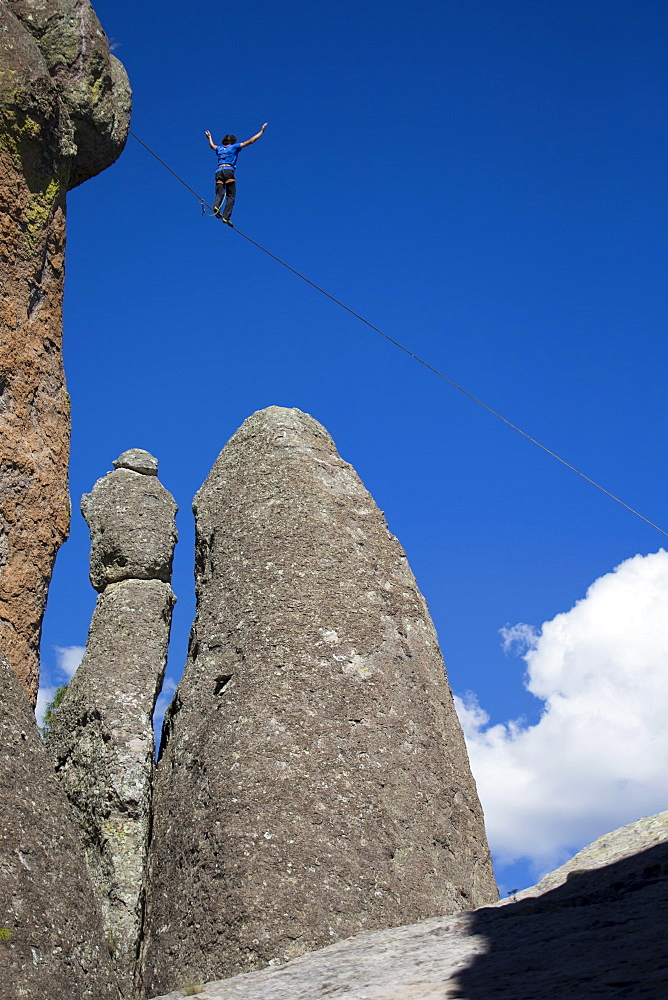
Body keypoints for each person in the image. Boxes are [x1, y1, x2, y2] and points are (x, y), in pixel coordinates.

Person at [205, 123, 268, 226]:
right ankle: (226, 217)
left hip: (219, 171)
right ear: (232, 141)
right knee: (231, 196)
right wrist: (261, 132)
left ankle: (216, 206)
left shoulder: (220, 148)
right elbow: (251, 141)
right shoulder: (234, 147)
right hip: (228, 171)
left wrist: (209, 137)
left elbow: (212, 146)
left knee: (219, 193)